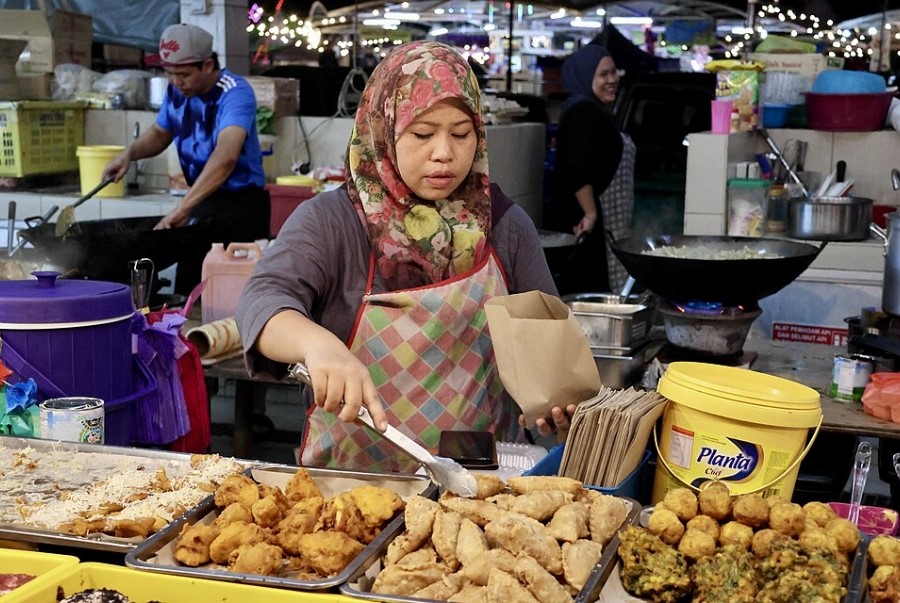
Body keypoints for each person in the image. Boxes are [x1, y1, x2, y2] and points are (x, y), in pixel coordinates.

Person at [236, 41, 568, 472]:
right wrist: (316, 343)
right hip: (351, 486)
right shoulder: (333, 222)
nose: (445, 152)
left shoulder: (504, 226)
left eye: (462, 133)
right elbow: (260, 303)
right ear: (383, 128)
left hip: (479, 485)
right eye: (423, 134)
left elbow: (547, 345)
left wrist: (551, 398)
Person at [101, 23, 271, 295]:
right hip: (203, 201)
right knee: (189, 293)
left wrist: (181, 209)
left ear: (207, 65)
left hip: (241, 209)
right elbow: (160, 132)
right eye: (169, 74)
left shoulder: (234, 92)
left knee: (233, 300)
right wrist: (128, 155)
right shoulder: (176, 91)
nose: (176, 82)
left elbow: (225, 156)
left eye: (183, 74)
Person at [548, 44, 634, 295]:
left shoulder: (593, 110)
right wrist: (591, 213)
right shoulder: (582, 113)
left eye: (613, 72)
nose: (612, 79)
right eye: (603, 74)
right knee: (586, 292)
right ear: (586, 77)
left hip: (594, 223)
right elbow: (577, 168)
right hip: (584, 225)